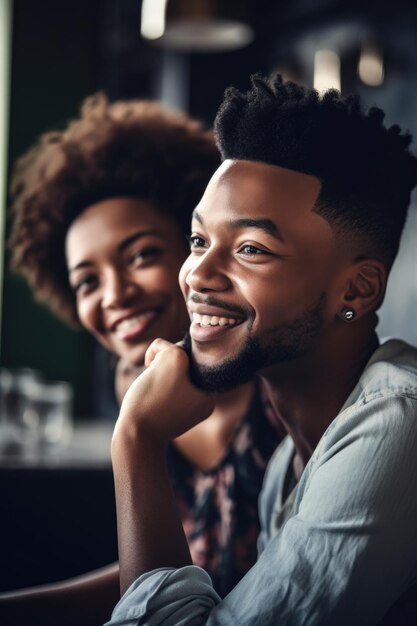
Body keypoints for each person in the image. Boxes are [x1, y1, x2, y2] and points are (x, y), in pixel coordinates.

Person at [106, 74, 417, 625]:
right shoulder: (288, 463)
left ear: (358, 290)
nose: (197, 274)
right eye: (200, 240)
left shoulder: (398, 424)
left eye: (251, 249)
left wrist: (137, 438)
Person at [2, 95, 284, 625]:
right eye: (87, 281)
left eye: (141, 255)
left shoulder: (277, 380)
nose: (114, 295)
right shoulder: (137, 381)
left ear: (199, 250)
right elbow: (181, 567)